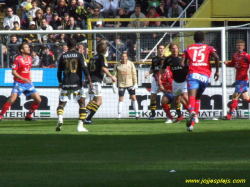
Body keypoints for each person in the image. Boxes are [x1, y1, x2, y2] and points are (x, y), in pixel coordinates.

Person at [181, 31, 220, 132]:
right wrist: (217, 72)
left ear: (194, 38)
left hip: (193, 73)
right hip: (205, 76)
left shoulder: (188, 48)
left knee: (191, 97)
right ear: (203, 39)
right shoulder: (208, 47)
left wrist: (188, 67)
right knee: (198, 98)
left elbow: (182, 64)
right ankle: (191, 125)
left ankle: (191, 111)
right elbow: (216, 57)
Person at [56, 38, 93, 132]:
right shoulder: (79, 55)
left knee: (61, 104)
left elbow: (59, 72)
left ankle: (60, 118)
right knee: (82, 104)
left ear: (67, 46)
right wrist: (90, 81)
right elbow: (85, 68)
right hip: (77, 83)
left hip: (66, 83)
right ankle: (80, 126)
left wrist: (60, 82)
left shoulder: (63, 56)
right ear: (76, 46)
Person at [0, 43, 42, 121]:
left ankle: (29, 115)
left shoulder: (30, 58)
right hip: (18, 83)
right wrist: (23, 78)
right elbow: (13, 72)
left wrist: (30, 80)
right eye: (26, 47)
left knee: (38, 100)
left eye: (28, 47)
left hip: (28, 84)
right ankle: (1, 115)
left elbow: (28, 70)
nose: (29, 48)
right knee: (12, 100)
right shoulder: (18, 59)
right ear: (22, 50)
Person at [84, 42, 116, 124]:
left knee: (94, 100)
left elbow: (88, 70)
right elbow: (104, 68)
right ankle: (87, 118)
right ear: (105, 50)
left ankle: (84, 116)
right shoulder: (102, 57)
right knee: (99, 101)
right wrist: (111, 76)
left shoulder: (92, 58)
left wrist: (86, 80)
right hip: (96, 81)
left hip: (90, 81)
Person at [160, 43, 189, 123]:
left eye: (176, 48)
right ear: (170, 50)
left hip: (184, 81)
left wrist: (188, 75)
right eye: (173, 48)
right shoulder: (168, 60)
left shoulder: (183, 58)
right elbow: (162, 69)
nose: (175, 50)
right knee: (177, 101)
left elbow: (189, 67)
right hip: (175, 82)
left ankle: (193, 113)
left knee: (186, 97)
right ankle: (180, 116)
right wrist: (162, 73)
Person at [223, 40, 250, 120]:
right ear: (236, 46)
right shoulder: (235, 55)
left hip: (243, 79)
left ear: (244, 47)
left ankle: (229, 116)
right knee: (245, 98)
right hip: (238, 78)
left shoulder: (246, 55)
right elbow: (233, 64)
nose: (239, 46)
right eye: (238, 45)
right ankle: (229, 115)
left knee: (235, 96)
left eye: (241, 45)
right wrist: (227, 63)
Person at [113, 53, 139, 120]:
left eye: (125, 56)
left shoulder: (131, 64)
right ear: (120, 57)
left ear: (127, 57)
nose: (123, 57)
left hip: (130, 83)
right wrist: (113, 84)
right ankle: (119, 115)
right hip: (121, 84)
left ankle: (137, 114)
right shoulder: (117, 65)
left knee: (133, 97)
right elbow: (114, 75)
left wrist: (135, 83)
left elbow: (134, 74)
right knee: (121, 99)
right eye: (122, 56)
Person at [145, 44, 165, 120]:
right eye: (160, 48)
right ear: (157, 49)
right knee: (152, 97)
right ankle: (153, 114)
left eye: (163, 48)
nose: (162, 49)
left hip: (164, 80)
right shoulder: (154, 59)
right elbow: (153, 69)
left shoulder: (166, 59)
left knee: (166, 97)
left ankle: (168, 115)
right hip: (155, 79)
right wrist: (148, 73)